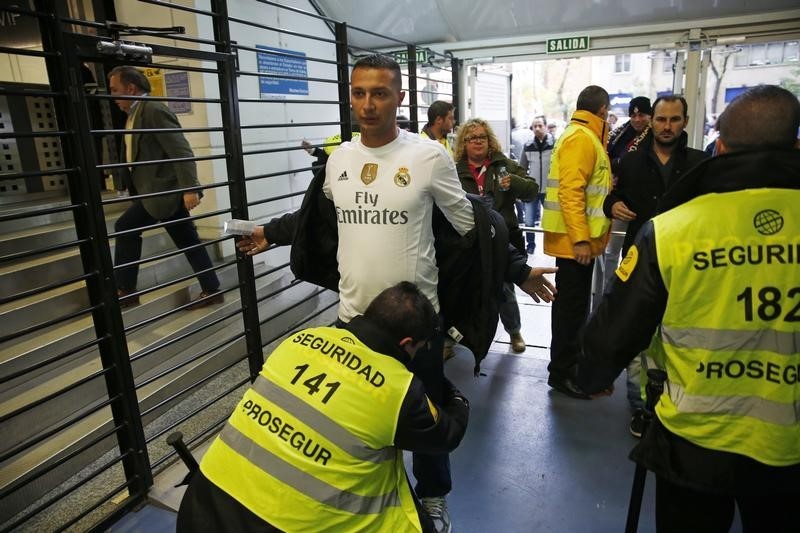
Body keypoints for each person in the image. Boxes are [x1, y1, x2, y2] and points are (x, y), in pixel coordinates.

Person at [236, 54, 557, 533]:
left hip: (414, 327)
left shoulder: (427, 159)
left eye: (380, 93)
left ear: (400, 99)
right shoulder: (339, 161)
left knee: (424, 422)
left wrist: (516, 268)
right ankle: (370, 495)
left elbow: (473, 232)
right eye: (359, 93)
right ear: (350, 97)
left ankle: (432, 497)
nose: (368, 104)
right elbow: (315, 220)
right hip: (352, 324)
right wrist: (269, 231)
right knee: (359, 424)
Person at [577, 85, 800, 533]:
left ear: (719, 147)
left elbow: (615, 330)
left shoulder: (673, 231)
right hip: (790, 443)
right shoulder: (636, 169)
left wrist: (592, 375)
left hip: (696, 437)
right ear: (795, 144)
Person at [177, 282, 471, 532]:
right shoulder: (397, 390)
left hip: (202, 507)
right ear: (407, 343)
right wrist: (454, 395)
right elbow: (448, 434)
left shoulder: (300, 340)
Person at [602, 95, 709, 437]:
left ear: (685, 122)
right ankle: (640, 407)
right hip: (640, 262)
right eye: (661, 119)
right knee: (639, 336)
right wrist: (613, 204)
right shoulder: (630, 162)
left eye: (674, 119)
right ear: (652, 122)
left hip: (688, 265)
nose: (666, 126)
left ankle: (678, 403)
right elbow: (610, 195)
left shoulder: (699, 163)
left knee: (682, 337)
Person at [107, 66, 221, 309]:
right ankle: (211, 288)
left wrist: (190, 188)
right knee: (188, 240)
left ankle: (126, 290)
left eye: (115, 90)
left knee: (125, 227)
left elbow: (180, 150)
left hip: (164, 194)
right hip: (154, 193)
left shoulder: (154, 110)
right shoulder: (134, 114)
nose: (112, 96)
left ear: (131, 88)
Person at [541, 85, 612, 399]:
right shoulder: (582, 138)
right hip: (574, 245)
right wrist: (581, 240)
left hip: (576, 243)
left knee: (574, 309)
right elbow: (571, 193)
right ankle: (562, 373)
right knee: (570, 312)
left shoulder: (583, 136)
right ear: (602, 111)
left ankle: (569, 367)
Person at [454, 118, 538, 354]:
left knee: (504, 290)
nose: (477, 142)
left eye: (482, 137)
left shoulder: (504, 165)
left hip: (503, 239)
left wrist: (514, 182)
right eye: (471, 138)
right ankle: (455, 339)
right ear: (464, 143)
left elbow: (532, 191)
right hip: (468, 241)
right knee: (463, 291)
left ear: (489, 140)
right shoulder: (453, 170)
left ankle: (514, 332)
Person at [595, 96, 653, 309]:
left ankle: (626, 292)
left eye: (642, 115)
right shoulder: (620, 134)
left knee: (634, 252)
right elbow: (606, 156)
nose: (637, 119)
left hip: (639, 201)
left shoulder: (654, 137)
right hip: (615, 198)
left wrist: (619, 167)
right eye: (634, 115)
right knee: (610, 251)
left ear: (650, 116)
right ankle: (607, 293)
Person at [519, 115, 555, 254]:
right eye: (535, 126)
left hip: (550, 189)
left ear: (546, 126)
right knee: (528, 221)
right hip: (532, 190)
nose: (538, 128)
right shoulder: (528, 146)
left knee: (552, 219)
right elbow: (521, 168)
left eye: (540, 125)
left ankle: (552, 244)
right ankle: (531, 245)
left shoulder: (554, 144)